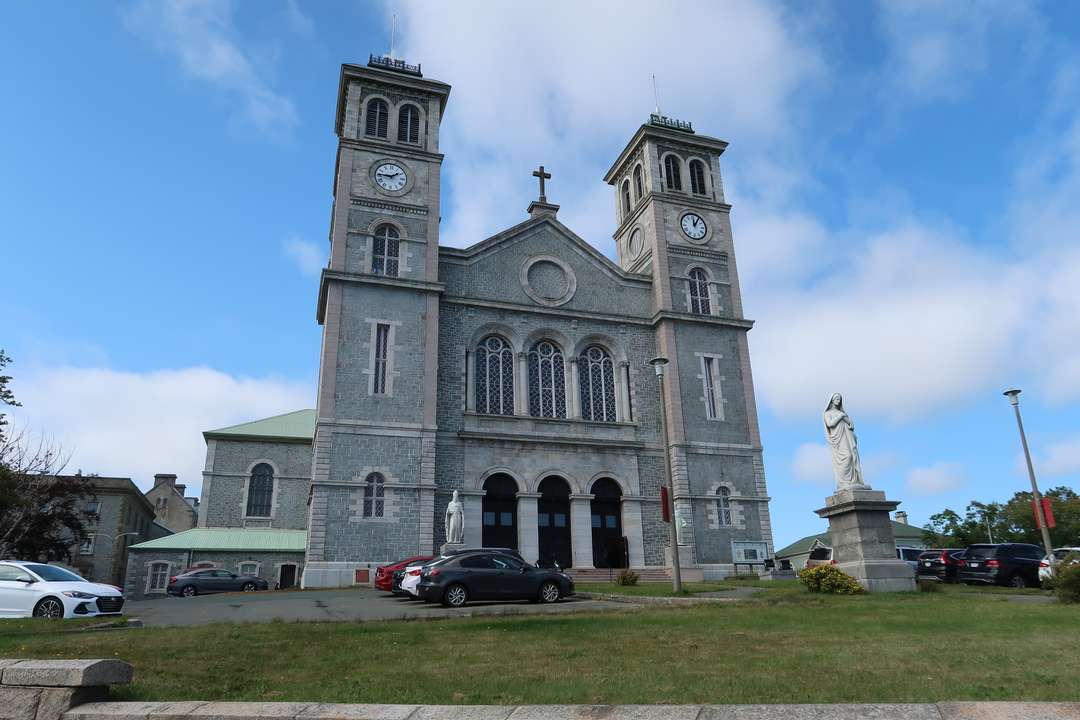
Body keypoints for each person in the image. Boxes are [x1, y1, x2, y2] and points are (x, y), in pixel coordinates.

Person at [822, 393, 865, 489]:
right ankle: (844, 481)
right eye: (837, 399)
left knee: (852, 456)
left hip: (847, 436)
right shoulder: (827, 413)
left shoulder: (841, 412)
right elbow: (830, 424)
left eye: (840, 399)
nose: (839, 401)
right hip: (838, 438)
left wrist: (844, 417)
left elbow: (850, 423)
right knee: (847, 456)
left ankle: (854, 481)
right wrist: (841, 416)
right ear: (832, 400)